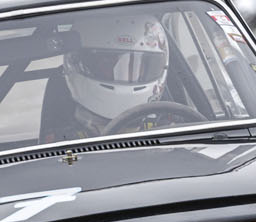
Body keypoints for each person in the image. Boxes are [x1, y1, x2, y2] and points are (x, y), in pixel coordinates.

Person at [42, 11, 170, 140]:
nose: (122, 74)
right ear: (79, 63)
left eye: (137, 65)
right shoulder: (64, 139)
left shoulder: (169, 126)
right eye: (107, 62)